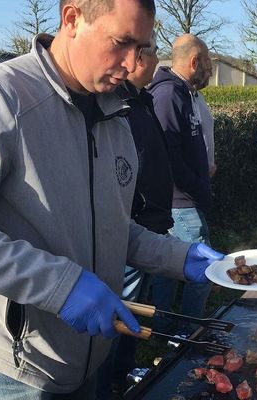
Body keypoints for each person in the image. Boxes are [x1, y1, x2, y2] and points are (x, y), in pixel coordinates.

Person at [0, 1, 224, 399]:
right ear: (72, 19)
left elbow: (111, 226)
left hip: (89, 358)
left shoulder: (115, 114)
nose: (132, 62)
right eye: (121, 42)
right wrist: (60, 285)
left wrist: (179, 257)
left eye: (141, 47)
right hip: (13, 367)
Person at [96, 29, 174, 399]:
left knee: (130, 317)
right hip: (134, 227)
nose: (153, 62)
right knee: (115, 318)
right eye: (154, 53)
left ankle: (121, 376)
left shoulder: (138, 102)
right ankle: (110, 379)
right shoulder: (113, 103)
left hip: (145, 230)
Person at [148, 34, 214, 332]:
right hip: (181, 201)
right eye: (208, 65)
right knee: (206, 269)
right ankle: (190, 331)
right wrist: (197, 185)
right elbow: (168, 156)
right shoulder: (168, 95)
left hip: (186, 198)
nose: (210, 72)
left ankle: (163, 327)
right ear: (194, 62)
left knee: (167, 268)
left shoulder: (185, 93)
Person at [193, 55, 217, 177]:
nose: (211, 75)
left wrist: (210, 162)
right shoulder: (177, 98)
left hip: (204, 174)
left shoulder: (198, 97)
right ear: (194, 66)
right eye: (209, 70)